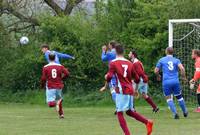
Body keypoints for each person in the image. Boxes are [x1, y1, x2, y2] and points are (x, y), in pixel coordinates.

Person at [105, 44, 153, 135]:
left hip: (121, 90)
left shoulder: (113, 63)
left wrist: (107, 82)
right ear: (123, 52)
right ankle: (147, 122)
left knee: (119, 112)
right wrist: (135, 89)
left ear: (115, 52)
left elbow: (110, 76)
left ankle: (127, 134)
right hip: (130, 90)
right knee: (129, 112)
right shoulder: (129, 63)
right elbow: (137, 79)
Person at [154, 47, 188, 119]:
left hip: (166, 82)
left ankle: (175, 113)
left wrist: (158, 76)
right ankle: (185, 111)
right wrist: (183, 77)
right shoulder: (176, 60)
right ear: (173, 52)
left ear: (166, 52)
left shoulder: (162, 60)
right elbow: (182, 68)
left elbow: (156, 70)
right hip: (175, 81)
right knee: (179, 97)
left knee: (168, 98)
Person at [41, 51, 69, 118]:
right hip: (59, 86)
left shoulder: (46, 67)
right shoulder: (60, 66)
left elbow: (43, 78)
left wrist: (42, 86)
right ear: (55, 57)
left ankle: (57, 103)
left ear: (49, 58)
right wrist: (62, 78)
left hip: (50, 86)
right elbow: (67, 73)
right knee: (58, 100)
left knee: (50, 104)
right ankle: (61, 114)